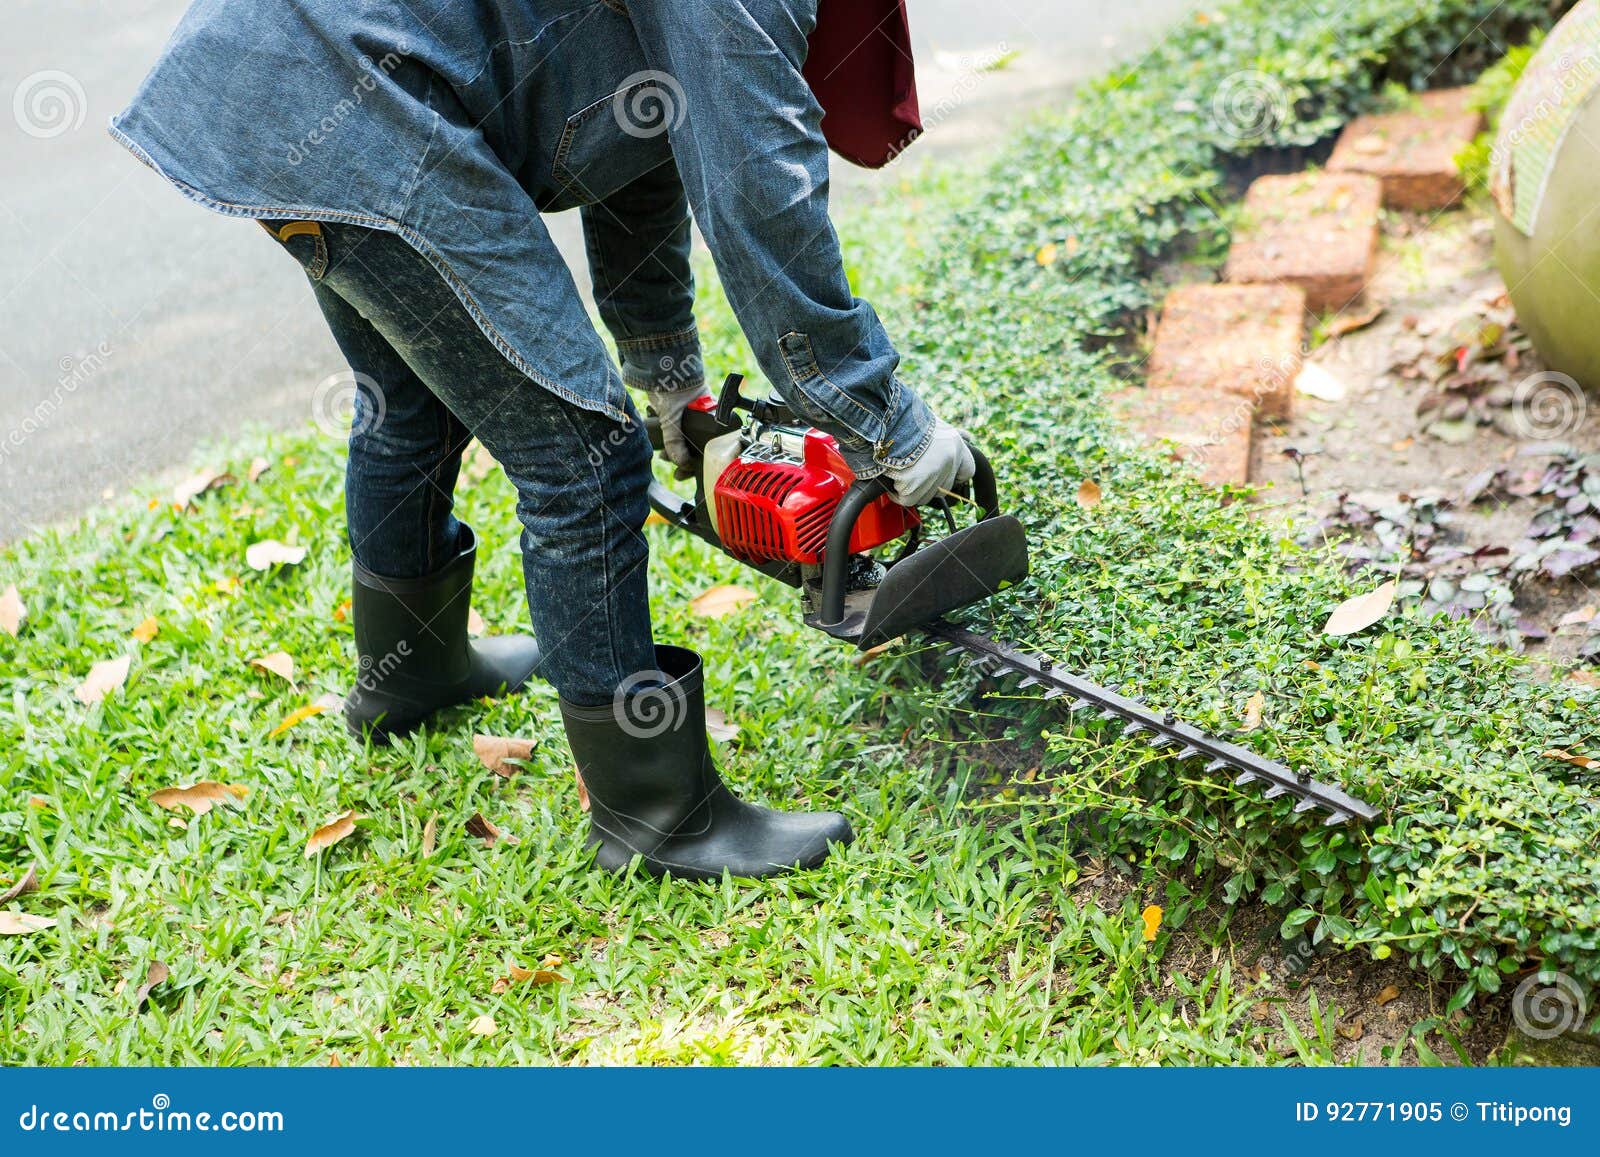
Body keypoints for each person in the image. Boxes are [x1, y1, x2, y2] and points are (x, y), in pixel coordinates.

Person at [111, 0, 974, 880]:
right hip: (353, 94)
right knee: (584, 455)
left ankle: (410, 677)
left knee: (414, 396)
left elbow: (641, 123)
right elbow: (761, 190)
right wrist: (880, 416)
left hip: (267, 74)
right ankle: (657, 817)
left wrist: (664, 363)